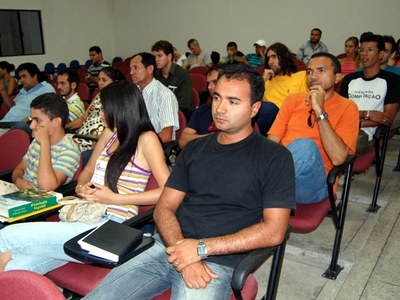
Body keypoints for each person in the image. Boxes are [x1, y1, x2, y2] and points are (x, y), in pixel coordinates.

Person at [84, 63, 295, 300]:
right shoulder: (195, 148)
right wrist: (182, 251)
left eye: (233, 101)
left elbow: (274, 230)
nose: (220, 109)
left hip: (216, 263)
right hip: (167, 248)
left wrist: (200, 249)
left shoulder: (275, 157)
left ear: (255, 108)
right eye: (217, 98)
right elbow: (164, 207)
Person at [0, 81, 170, 275]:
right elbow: (87, 171)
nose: (100, 115)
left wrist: (114, 199)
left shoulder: (146, 139)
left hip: (113, 224)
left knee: (5, 237)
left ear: (121, 108)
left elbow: (168, 190)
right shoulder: (110, 134)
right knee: (15, 267)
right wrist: (81, 187)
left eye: (104, 110)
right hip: (86, 214)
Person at [268, 52, 359, 204]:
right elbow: (271, 145)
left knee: (305, 146)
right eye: (309, 71)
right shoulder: (292, 101)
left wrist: (319, 111)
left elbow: (338, 158)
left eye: (321, 70)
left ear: (337, 77)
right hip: (283, 178)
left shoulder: (348, 107)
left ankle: (258, 189)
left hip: (316, 183)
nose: (313, 76)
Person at [3, 93, 80, 194]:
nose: (31, 126)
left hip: (40, 203)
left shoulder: (70, 150)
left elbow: (46, 187)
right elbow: (19, 169)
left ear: (56, 122)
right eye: (31, 120)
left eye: (37, 120)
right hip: (19, 192)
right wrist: (18, 181)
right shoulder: (36, 142)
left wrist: (45, 143)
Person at [340, 33, 400, 153]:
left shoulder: (393, 81)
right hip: (342, 126)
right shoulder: (349, 79)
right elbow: (340, 111)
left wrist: (357, 121)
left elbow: (386, 119)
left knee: (340, 147)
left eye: (370, 50)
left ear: (381, 54)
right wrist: (367, 114)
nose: (364, 53)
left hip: (365, 132)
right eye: (361, 50)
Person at [67, 67, 125, 160]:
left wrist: (101, 143)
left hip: (94, 142)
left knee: (66, 153)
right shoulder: (99, 95)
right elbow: (83, 118)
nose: (99, 83)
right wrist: (66, 127)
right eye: (99, 79)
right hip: (80, 137)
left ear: (115, 82)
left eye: (104, 80)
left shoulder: (120, 100)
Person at [257, 42, 308, 136]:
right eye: (268, 58)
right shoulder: (266, 82)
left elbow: (306, 104)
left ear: (284, 57)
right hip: (268, 125)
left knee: (268, 108)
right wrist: (262, 81)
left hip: (291, 121)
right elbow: (252, 104)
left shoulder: (302, 76)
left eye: (274, 57)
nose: (270, 62)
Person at [130, 52, 179, 142]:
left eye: (136, 68)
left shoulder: (165, 95)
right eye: (131, 68)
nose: (131, 72)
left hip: (156, 147)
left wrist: (139, 142)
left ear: (150, 69)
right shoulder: (132, 92)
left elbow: (166, 135)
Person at [179, 64, 223, 148]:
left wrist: (197, 138)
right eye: (208, 83)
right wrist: (214, 138)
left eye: (215, 82)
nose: (209, 87)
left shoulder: (236, 112)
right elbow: (183, 141)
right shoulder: (202, 110)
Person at [151, 40, 193, 117]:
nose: (156, 59)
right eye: (154, 57)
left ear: (169, 57)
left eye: (160, 56)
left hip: (179, 116)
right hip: (158, 115)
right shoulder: (154, 75)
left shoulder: (183, 75)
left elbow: (183, 105)